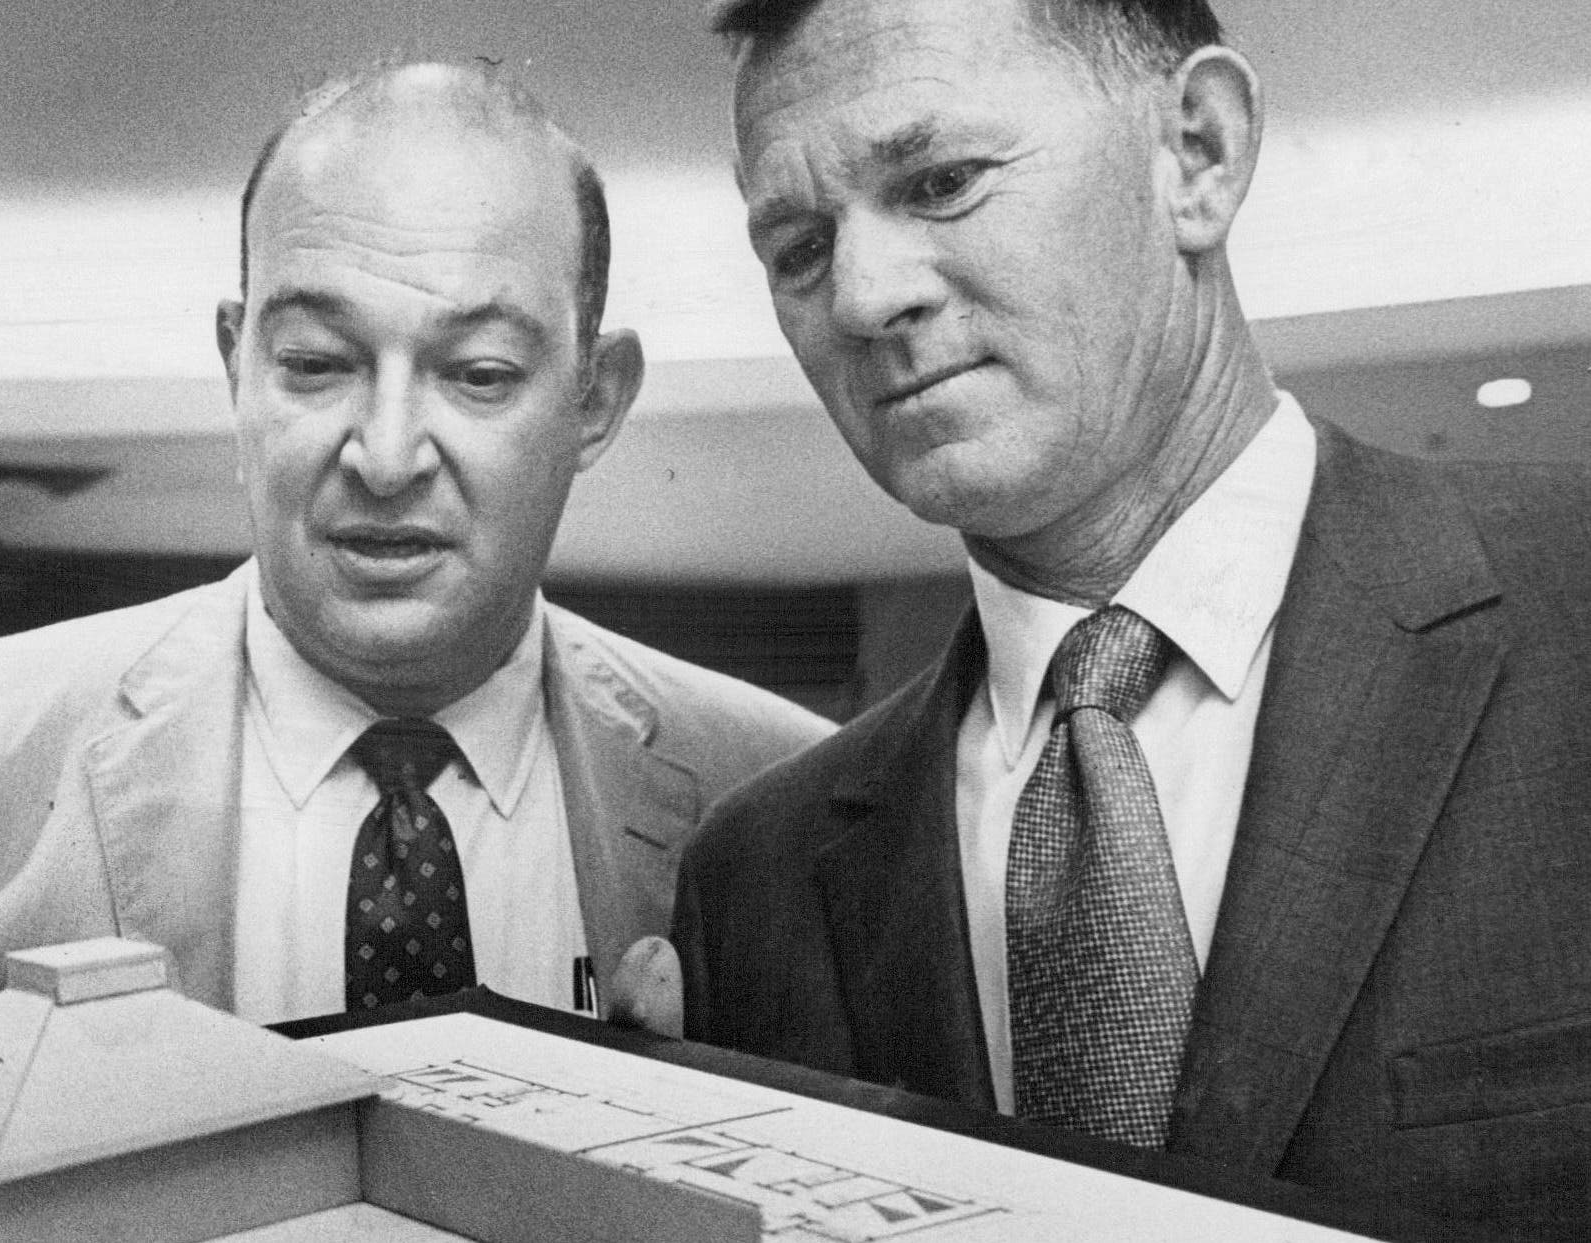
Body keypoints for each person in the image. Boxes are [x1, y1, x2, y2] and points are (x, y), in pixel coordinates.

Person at [671, 0, 1591, 1234]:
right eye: (795, 246)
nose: (858, 295)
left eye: (940, 181)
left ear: (1197, 154)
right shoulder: (756, 882)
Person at [0, 60, 830, 1025]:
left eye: (477, 373)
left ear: (594, 399)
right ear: (235, 365)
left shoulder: (779, 794)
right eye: (314, 361)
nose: (385, 457)